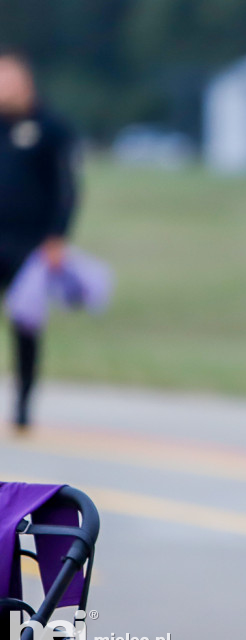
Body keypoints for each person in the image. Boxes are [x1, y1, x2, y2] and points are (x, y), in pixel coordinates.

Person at [0, 49, 77, 429]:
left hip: (29, 243)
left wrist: (57, 237)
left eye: (10, 77)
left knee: (25, 323)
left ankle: (24, 405)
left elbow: (67, 187)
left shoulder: (50, 127)